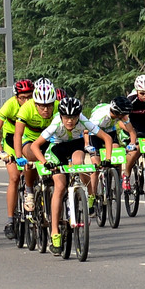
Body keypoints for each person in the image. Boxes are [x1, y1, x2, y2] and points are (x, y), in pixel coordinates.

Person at [29, 96, 113, 255]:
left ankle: (85, 192)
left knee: (78, 162)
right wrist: (45, 162)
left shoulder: (83, 120)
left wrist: (107, 159)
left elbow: (107, 138)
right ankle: (54, 232)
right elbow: (35, 146)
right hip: (57, 149)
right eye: (67, 117)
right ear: (61, 116)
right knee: (59, 187)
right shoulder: (55, 124)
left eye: (74, 117)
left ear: (78, 115)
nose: (70, 121)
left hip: (75, 145)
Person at [0, 79, 34, 238]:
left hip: (28, 141)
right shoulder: (9, 105)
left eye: (30, 96)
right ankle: (10, 220)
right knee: (14, 177)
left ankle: (34, 197)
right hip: (10, 141)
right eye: (23, 97)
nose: (27, 101)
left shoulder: (38, 106)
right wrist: (0, 152)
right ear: (16, 97)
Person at [14, 78, 60, 216]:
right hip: (30, 139)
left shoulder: (59, 107)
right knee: (32, 157)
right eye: (41, 106)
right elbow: (18, 134)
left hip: (50, 139)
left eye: (49, 106)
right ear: (35, 103)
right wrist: (18, 157)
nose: (46, 110)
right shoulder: (26, 109)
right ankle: (29, 192)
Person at [88, 96, 139, 191]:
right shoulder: (99, 117)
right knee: (96, 166)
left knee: (117, 151)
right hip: (94, 133)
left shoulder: (122, 114)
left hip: (110, 131)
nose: (125, 116)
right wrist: (87, 145)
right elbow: (86, 131)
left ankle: (118, 178)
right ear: (116, 112)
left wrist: (132, 144)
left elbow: (131, 131)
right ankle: (92, 195)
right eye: (123, 114)